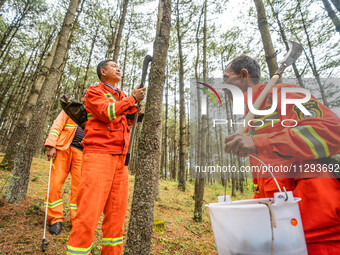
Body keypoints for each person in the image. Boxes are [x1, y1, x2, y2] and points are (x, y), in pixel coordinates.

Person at [223, 55, 340, 254]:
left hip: (320, 229)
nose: (224, 86)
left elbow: (332, 131)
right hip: (285, 230)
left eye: (226, 78)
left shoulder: (284, 93)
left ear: (244, 75)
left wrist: (260, 142)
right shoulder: (252, 115)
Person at [66, 60, 145, 255]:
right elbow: (106, 112)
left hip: (121, 159)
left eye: (119, 66)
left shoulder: (122, 96)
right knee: (88, 213)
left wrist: (136, 111)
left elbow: (126, 121)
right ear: (103, 72)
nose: (118, 68)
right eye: (113, 66)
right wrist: (132, 100)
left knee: (116, 217)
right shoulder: (94, 92)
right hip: (98, 156)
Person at [44, 109, 85, 235]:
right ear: (83, 98)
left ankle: (76, 221)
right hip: (63, 149)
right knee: (55, 184)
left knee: (80, 189)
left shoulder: (95, 114)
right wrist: (52, 145)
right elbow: (57, 126)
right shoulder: (70, 109)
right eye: (86, 96)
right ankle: (55, 219)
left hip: (82, 154)